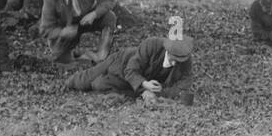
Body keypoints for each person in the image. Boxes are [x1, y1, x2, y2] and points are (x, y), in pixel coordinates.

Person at [66, 36, 195, 103]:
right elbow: (131, 70)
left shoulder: (185, 60)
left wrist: (158, 93)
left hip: (133, 82)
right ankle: (68, 82)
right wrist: (145, 84)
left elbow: (182, 86)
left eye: (181, 58)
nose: (178, 61)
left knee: (100, 86)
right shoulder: (152, 44)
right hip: (122, 62)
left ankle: (100, 83)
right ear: (168, 49)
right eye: (175, 57)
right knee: (87, 79)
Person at [38, 0, 117, 64]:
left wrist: (94, 14)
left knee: (109, 17)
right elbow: (45, 30)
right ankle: (79, 55)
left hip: (87, 19)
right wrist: (62, 32)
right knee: (60, 59)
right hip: (67, 30)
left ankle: (101, 57)